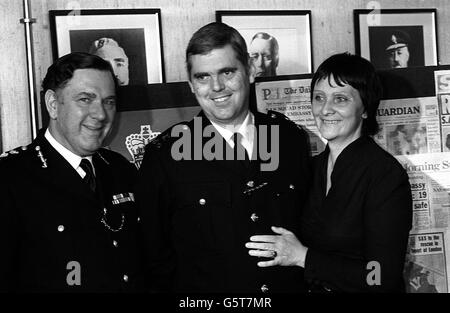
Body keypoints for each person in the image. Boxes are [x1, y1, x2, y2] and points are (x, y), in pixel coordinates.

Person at [135, 22, 311, 293]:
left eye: (227, 72)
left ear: (250, 71)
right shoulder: (165, 155)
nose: (216, 87)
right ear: (191, 85)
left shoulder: (289, 138)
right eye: (202, 77)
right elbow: (154, 259)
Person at [246, 53, 412, 292]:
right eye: (319, 98)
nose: (325, 109)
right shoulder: (312, 167)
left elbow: (381, 276)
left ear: (365, 108)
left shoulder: (385, 175)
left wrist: (303, 257)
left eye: (340, 99)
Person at [0, 52, 142, 292]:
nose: (100, 114)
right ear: (53, 105)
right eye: (86, 99)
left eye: (109, 101)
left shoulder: (120, 169)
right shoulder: (10, 178)